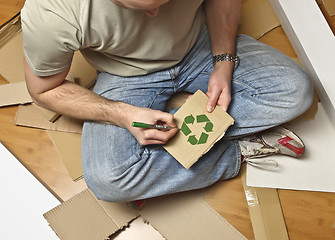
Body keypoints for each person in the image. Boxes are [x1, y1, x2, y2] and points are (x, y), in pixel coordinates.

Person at [21, 0, 313, 202]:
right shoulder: (52, 13)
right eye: (141, 8)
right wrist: (123, 115)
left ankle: (175, 156)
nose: (156, 16)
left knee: (295, 91)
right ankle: (237, 151)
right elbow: (44, 90)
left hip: (199, 43)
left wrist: (223, 62)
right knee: (109, 180)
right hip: (124, 72)